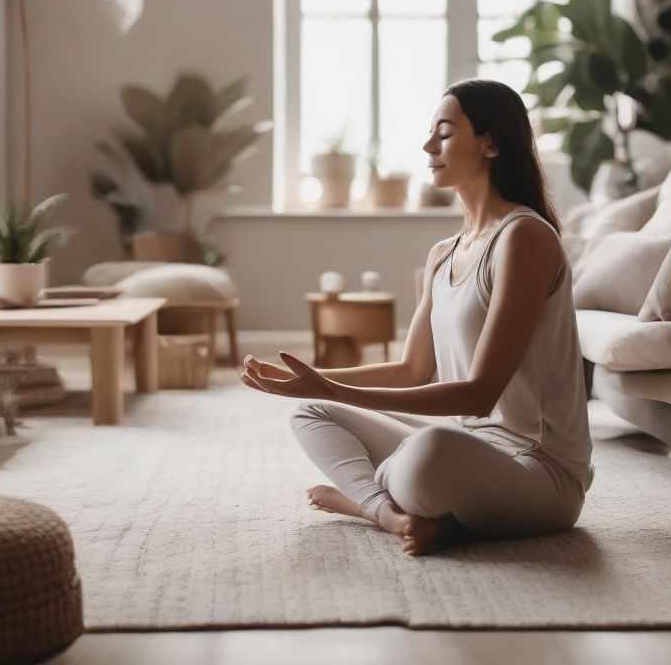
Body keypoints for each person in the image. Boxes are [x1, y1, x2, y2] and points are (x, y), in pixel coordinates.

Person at [242, 78, 594, 557]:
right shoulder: (443, 253)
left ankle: (365, 500)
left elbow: (480, 392)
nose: (428, 145)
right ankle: (395, 515)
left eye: (445, 132)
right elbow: (412, 370)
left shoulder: (524, 237)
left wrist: (334, 387)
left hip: (540, 471)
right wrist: (313, 381)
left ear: (490, 142)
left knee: (429, 452)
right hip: (470, 448)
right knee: (312, 412)